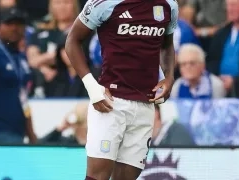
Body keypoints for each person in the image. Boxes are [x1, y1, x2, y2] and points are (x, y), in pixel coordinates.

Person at [65, 0, 178, 179]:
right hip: (110, 103)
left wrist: (169, 76)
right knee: (97, 175)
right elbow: (72, 40)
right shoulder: (104, 2)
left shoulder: (169, 5)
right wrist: (91, 85)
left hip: (146, 105)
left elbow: (166, 44)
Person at [0, 7, 37, 144]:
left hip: (18, 132)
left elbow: (23, 98)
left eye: (19, 24)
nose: (15, 28)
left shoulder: (21, 58)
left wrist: (31, 134)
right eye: (9, 24)